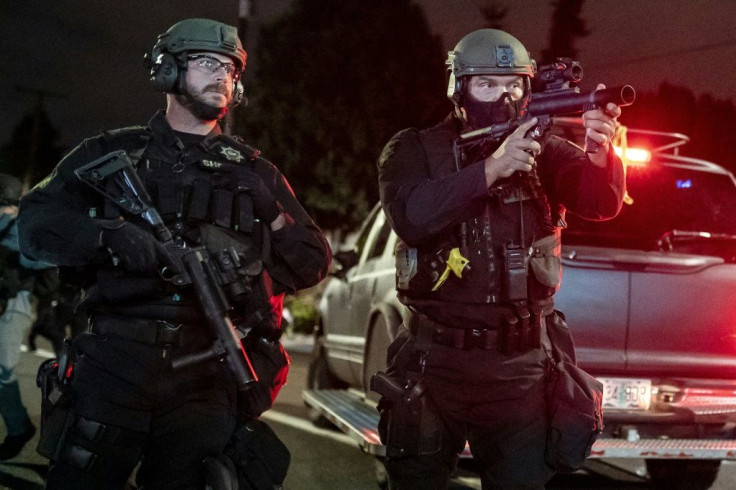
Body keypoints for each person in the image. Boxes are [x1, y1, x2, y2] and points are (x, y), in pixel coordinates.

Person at [17, 18, 330, 489]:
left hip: (208, 374)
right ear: (167, 70)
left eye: (230, 69)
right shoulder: (109, 152)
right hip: (114, 361)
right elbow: (34, 225)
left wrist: (275, 213)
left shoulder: (256, 172)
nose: (222, 76)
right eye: (207, 63)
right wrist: (107, 237)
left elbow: (311, 264)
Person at [375, 29, 626, 489]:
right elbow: (411, 216)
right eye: (486, 84)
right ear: (459, 88)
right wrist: (492, 169)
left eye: (513, 85)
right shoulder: (414, 149)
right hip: (436, 362)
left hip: (523, 368)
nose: (502, 96)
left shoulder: (544, 151)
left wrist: (599, 151)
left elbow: (601, 203)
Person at [0, 173, 52, 461]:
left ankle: (19, 427)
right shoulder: (18, 224)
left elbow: (40, 257)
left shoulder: (17, 226)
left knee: (2, 371)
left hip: (13, 304)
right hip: (9, 301)